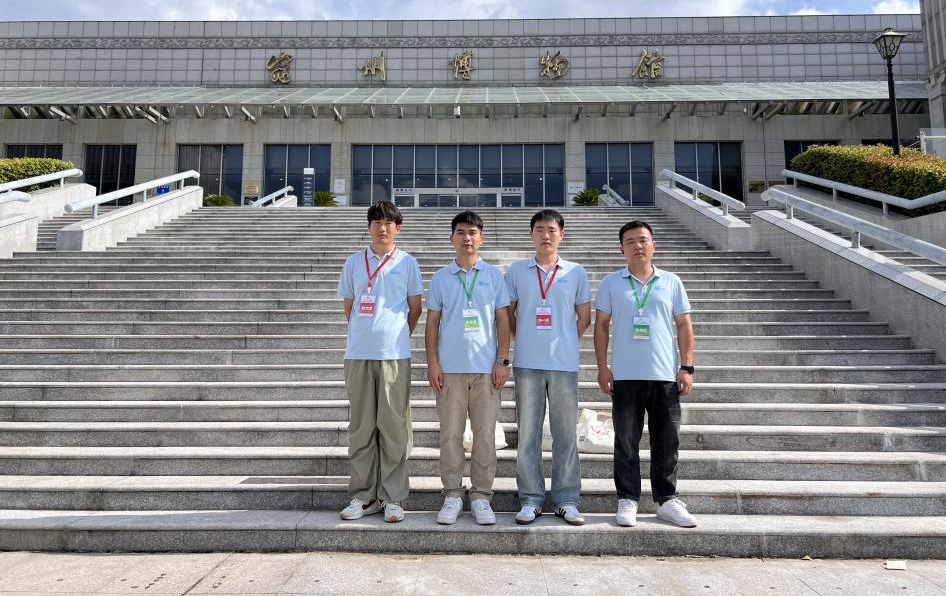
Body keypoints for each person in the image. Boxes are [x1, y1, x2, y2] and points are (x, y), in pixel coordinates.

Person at [593, 220, 697, 528]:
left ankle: (666, 500)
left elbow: (684, 325)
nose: (637, 246)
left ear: (653, 245)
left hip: (664, 376)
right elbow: (601, 326)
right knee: (626, 441)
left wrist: (686, 366)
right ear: (621, 249)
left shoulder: (671, 282)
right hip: (625, 377)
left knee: (667, 440)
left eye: (643, 240)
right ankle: (628, 498)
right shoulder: (611, 283)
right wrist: (602, 367)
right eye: (630, 241)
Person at [337, 200, 423, 523]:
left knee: (393, 427)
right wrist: (366, 332)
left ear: (398, 229)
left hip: (394, 356)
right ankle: (363, 495)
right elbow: (350, 306)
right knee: (361, 428)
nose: (382, 228)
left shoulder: (407, 263)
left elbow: (415, 308)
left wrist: (394, 334)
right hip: (358, 354)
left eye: (389, 223)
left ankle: (392, 496)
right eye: (377, 222)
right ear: (369, 227)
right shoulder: (353, 263)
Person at [505, 209, 592, 526]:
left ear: (561, 235)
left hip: (563, 365)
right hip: (527, 363)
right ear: (531, 234)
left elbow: (584, 316)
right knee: (527, 434)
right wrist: (525, 338)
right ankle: (530, 499)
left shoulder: (576, 272)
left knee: (565, 435)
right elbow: (508, 314)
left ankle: (566, 500)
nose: (546, 235)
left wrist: (564, 340)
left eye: (552, 230)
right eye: (540, 229)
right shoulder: (517, 271)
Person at [425, 211, 511, 525]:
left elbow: (503, 320)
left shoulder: (494, 276)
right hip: (450, 370)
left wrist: (502, 360)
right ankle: (452, 494)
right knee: (450, 435)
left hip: (486, 370)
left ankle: (481, 496)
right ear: (452, 238)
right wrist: (433, 363)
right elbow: (432, 323)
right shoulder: (441, 278)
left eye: (472, 232)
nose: (467, 238)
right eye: (460, 232)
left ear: (481, 238)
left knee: (485, 436)